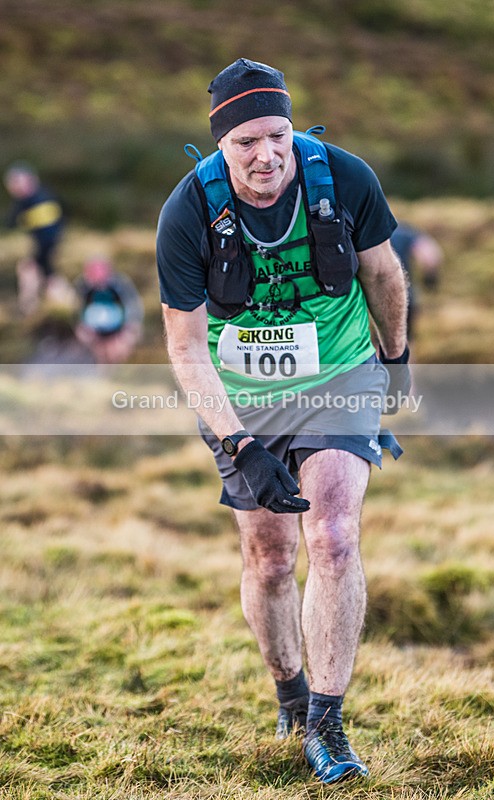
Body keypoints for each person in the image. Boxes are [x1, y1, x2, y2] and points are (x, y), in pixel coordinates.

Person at [156, 59, 410, 785]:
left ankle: (328, 724)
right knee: (269, 558)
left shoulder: (345, 179)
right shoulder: (188, 212)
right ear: (219, 147)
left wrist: (396, 358)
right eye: (247, 143)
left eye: (279, 134)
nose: (268, 154)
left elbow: (384, 274)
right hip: (239, 394)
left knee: (331, 535)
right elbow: (184, 345)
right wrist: (239, 443)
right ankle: (292, 696)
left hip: (338, 373)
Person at [3, 162, 69, 315]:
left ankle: (36, 308)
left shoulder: (40, 199)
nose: (14, 188)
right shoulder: (23, 202)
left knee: (39, 274)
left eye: (17, 182)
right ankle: (41, 306)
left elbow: (50, 232)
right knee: (39, 274)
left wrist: (39, 257)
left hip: (46, 247)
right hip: (43, 247)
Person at [74, 256, 144, 364]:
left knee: (116, 352)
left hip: (118, 332)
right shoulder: (83, 287)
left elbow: (133, 307)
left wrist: (129, 330)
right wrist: (82, 328)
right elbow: (77, 311)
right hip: (94, 333)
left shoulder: (120, 285)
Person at [390, 222, 443, 340]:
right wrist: (431, 279)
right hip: (403, 297)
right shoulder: (404, 232)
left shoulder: (364, 229)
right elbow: (430, 255)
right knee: (404, 343)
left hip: (364, 302)